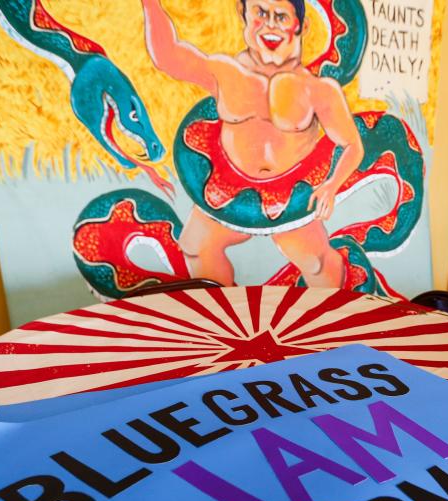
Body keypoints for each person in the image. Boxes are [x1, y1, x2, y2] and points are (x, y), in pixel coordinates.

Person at [141, 0, 364, 287]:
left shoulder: (317, 90)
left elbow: (351, 145)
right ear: (242, 13)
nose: (270, 24)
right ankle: (224, 317)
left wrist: (331, 186)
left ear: (302, 25)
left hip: (293, 198)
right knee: (196, 244)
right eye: (260, 13)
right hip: (227, 190)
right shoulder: (224, 72)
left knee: (317, 263)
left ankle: (327, 320)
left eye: (281, 16)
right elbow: (168, 56)